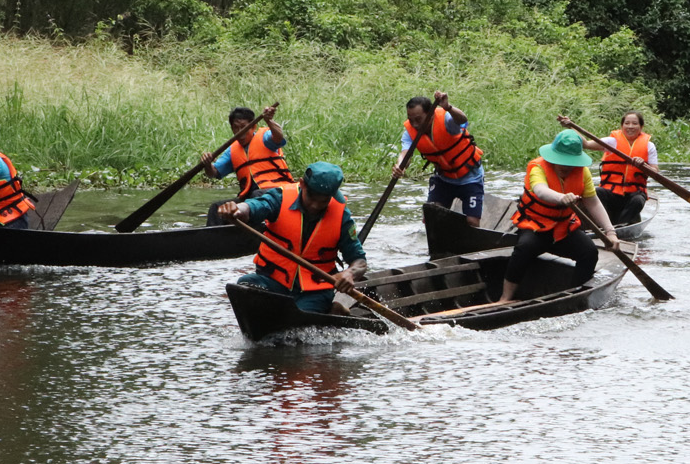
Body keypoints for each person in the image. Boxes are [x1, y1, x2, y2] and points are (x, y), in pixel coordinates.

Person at [217, 162, 367, 315]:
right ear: (302, 184)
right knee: (244, 287)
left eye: (323, 201)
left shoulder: (342, 216)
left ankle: (332, 309)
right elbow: (254, 207)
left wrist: (350, 273)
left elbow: (360, 262)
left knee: (300, 318)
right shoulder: (280, 198)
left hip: (314, 291)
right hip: (273, 281)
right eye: (311, 197)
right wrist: (237, 210)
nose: (315, 206)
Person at [495, 130, 618, 305]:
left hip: (564, 228)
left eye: (570, 162)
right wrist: (561, 197)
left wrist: (610, 232)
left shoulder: (582, 173)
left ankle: (576, 295)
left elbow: (593, 203)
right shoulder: (538, 167)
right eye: (561, 161)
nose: (565, 166)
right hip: (535, 225)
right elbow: (540, 190)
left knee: (589, 252)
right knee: (524, 248)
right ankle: (506, 297)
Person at [394, 92, 485, 226]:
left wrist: (448, 107)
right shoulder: (410, 132)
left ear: (430, 115)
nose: (415, 124)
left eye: (418, 119)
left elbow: (462, 120)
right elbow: (405, 153)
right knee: (431, 216)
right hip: (444, 179)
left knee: (472, 222)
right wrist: (399, 166)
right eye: (410, 119)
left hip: (470, 177)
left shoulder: (446, 120)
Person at [203, 105, 294, 225]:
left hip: (277, 193)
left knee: (256, 195)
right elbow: (213, 172)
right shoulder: (232, 150)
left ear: (253, 127)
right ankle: (215, 236)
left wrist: (269, 121)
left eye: (243, 127)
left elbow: (278, 137)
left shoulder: (265, 138)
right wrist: (207, 164)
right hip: (250, 198)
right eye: (235, 128)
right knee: (216, 208)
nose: (239, 132)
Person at [565, 110, 657, 225]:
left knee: (638, 200)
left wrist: (644, 165)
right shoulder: (612, 142)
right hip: (611, 191)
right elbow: (586, 144)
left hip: (634, 193)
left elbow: (655, 171)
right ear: (622, 126)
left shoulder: (649, 146)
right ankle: (602, 223)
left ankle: (622, 226)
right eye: (627, 123)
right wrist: (571, 127)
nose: (630, 126)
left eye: (635, 123)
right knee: (597, 192)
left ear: (641, 126)